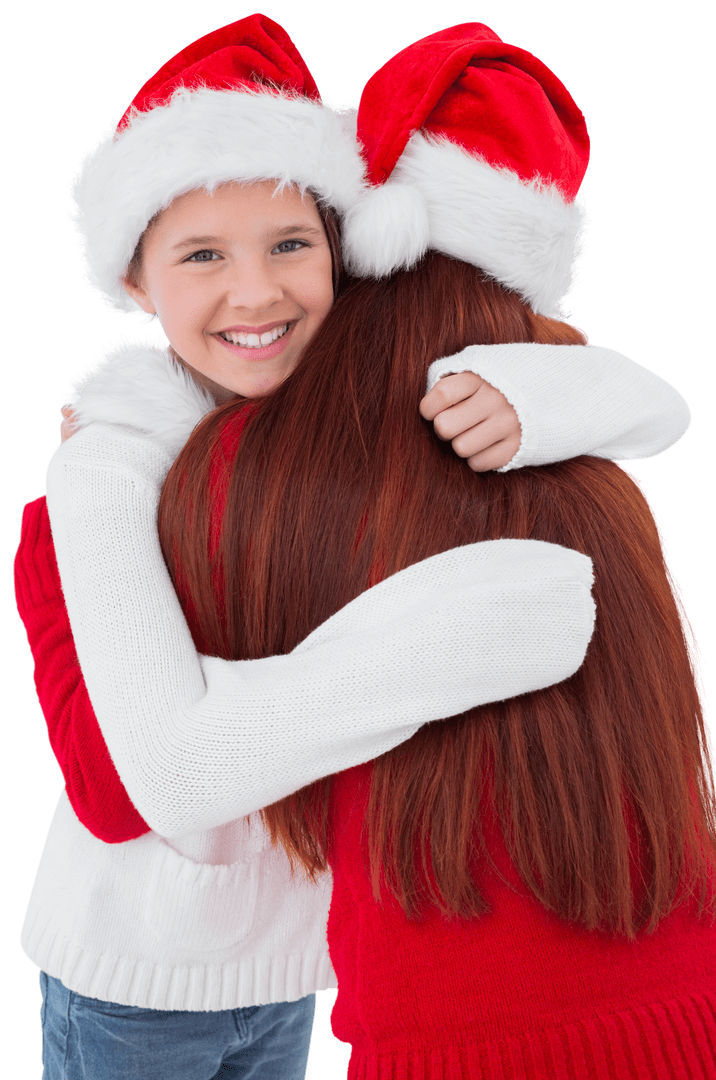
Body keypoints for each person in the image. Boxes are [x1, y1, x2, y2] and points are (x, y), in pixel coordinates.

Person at [13, 15, 695, 1080]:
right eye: (202, 257)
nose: (256, 293)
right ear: (136, 286)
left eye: (292, 245)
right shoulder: (103, 472)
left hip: (293, 967)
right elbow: (118, 787)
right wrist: (442, 642)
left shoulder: (330, 442)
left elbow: (652, 403)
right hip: (134, 978)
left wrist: (539, 392)